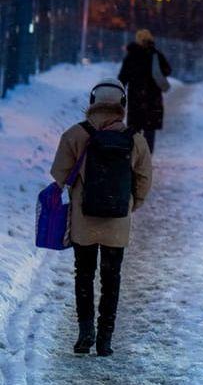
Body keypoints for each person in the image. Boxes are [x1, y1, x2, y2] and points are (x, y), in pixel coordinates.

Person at [50, 78, 152, 356]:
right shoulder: (135, 139)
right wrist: (132, 203)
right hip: (117, 220)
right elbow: (143, 179)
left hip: (84, 219)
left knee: (83, 274)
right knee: (111, 277)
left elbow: (58, 173)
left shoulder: (76, 134)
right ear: (122, 104)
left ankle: (85, 332)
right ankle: (105, 337)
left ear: (93, 101)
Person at [117, 29, 172, 153]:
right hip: (152, 99)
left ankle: (133, 155)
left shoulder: (131, 56)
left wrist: (119, 92)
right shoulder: (156, 55)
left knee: (134, 130)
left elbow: (123, 77)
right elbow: (168, 70)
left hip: (136, 98)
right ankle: (146, 157)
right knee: (149, 130)